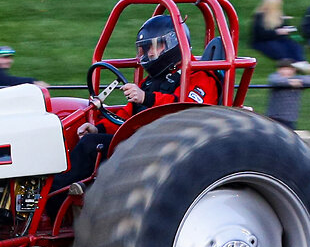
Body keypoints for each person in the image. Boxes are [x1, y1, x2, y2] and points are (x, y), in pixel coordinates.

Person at [50, 15, 219, 195]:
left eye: (155, 46)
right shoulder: (153, 80)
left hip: (170, 147)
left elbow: (190, 110)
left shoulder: (200, 76)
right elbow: (126, 116)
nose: (149, 54)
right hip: (144, 142)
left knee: (91, 146)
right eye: (145, 49)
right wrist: (98, 128)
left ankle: (50, 203)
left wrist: (146, 98)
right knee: (85, 139)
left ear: (174, 43)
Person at [251, 0, 310, 72]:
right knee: (277, 48)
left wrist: (286, 29)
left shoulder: (279, 15)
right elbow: (260, 34)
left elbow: (283, 28)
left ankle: (302, 62)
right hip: (263, 41)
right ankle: (293, 65)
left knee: (295, 46)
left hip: (279, 38)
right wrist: (277, 32)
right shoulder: (259, 16)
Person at [267, 60, 310, 130]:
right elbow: (275, 81)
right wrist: (290, 82)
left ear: (294, 70)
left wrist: (298, 80)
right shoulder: (274, 76)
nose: (285, 71)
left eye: (288, 69)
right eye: (283, 69)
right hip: (274, 116)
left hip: (290, 117)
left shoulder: (298, 78)